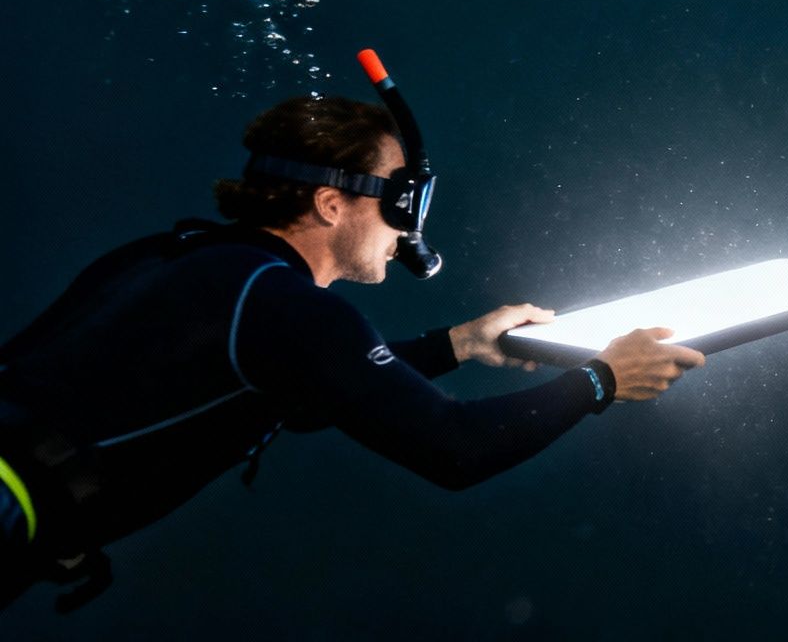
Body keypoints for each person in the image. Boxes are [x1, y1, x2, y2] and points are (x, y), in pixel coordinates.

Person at [0, 93, 704, 611]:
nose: (409, 229)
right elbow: (456, 449)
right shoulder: (288, 305)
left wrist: (459, 343)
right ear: (331, 205)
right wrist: (603, 379)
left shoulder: (173, 255)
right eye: (398, 201)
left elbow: (302, 398)